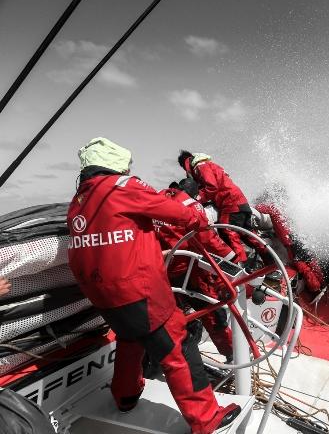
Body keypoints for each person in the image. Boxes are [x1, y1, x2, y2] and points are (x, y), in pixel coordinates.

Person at [67, 138, 240, 434]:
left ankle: (125, 396)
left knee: (130, 338)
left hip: (100, 294)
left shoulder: (78, 202)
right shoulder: (122, 187)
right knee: (178, 346)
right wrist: (202, 215)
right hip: (137, 289)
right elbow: (179, 214)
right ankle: (206, 417)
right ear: (114, 166)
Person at [156, 179, 234, 360]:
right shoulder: (191, 206)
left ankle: (175, 355)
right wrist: (234, 259)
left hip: (161, 272)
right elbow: (208, 239)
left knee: (171, 318)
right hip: (189, 271)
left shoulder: (157, 198)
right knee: (214, 314)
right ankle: (232, 356)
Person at [177, 151, 251, 262]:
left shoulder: (200, 166)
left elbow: (212, 186)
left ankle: (241, 265)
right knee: (247, 233)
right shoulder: (209, 164)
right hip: (238, 200)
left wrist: (197, 199)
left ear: (185, 163)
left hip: (229, 202)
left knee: (227, 230)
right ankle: (270, 262)